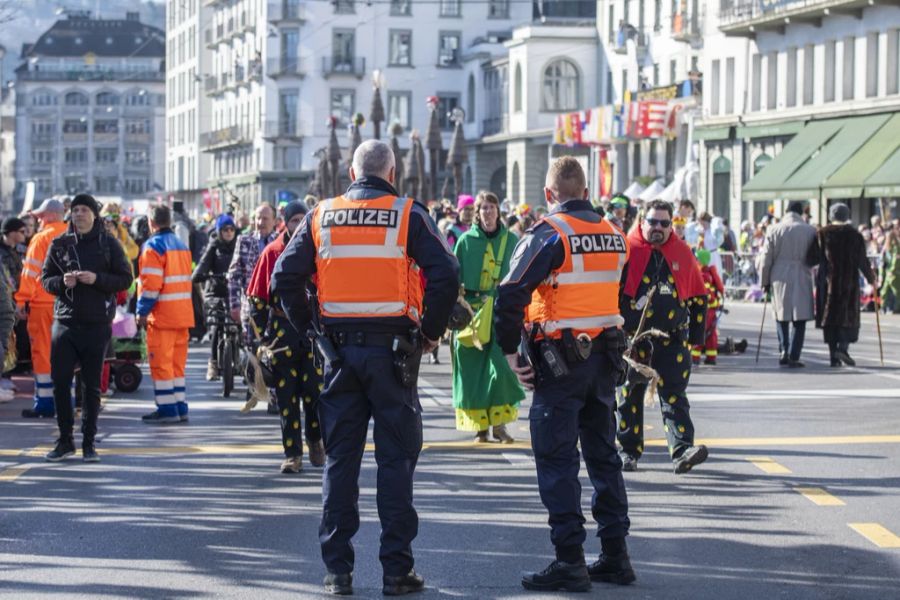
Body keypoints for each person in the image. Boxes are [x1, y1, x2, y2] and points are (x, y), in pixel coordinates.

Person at [271, 139, 458, 596]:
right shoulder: (407, 213)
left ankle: (338, 572)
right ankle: (397, 571)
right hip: (394, 355)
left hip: (338, 356)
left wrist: (312, 331)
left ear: (351, 173)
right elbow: (447, 273)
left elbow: (283, 278)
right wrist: (431, 332)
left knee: (340, 462)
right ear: (392, 172)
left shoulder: (322, 214)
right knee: (396, 462)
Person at [494, 156, 634, 593]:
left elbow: (511, 291)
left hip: (560, 362)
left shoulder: (550, 234)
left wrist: (509, 351)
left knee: (557, 460)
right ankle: (615, 555)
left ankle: (570, 560)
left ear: (550, 195)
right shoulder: (614, 235)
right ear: (587, 190)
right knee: (604, 457)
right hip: (604, 359)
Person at [617, 199, 709, 474]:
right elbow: (610, 294)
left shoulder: (682, 252)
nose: (658, 228)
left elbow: (698, 297)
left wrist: (696, 338)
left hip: (672, 340)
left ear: (671, 225)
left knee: (674, 396)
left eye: (664, 223)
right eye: (653, 222)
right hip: (634, 340)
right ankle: (627, 451)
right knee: (629, 395)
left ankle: (682, 451)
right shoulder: (628, 249)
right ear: (642, 221)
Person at [40, 194, 133, 462]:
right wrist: (62, 282)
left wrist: (96, 279)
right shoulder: (58, 244)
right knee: (59, 382)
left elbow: (125, 279)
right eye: (76, 210)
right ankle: (65, 440)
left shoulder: (108, 244)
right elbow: (45, 280)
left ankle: (89, 443)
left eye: (84, 210)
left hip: (96, 324)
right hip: (65, 323)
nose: (79, 214)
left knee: (91, 387)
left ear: (94, 214)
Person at [246, 201, 325, 473]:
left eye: (303, 220)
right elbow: (256, 300)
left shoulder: (319, 250)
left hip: (313, 333)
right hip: (281, 335)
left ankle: (315, 440)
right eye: (294, 221)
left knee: (315, 393)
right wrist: (261, 340)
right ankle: (292, 454)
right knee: (287, 398)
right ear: (286, 222)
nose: (299, 225)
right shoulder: (272, 252)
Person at [451, 190, 523, 443]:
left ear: (498, 212)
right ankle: (481, 427)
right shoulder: (465, 242)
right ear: (477, 214)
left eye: (492, 207)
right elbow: (453, 279)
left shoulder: (511, 240)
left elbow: (521, 278)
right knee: (473, 372)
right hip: (471, 314)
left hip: (501, 313)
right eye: (484, 208)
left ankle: (500, 424)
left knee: (501, 369)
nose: (489, 212)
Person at [136, 204, 196, 424]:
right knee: (177, 367)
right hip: (182, 316)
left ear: (151, 223)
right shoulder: (181, 246)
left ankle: (167, 410)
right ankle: (180, 407)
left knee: (161, 365)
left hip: (162, 317)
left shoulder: (153, 247)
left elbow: (151, 285)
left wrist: (142, 312)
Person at [16, 199, 68, 418]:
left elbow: (30, 274)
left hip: (43, 304)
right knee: (66, 353)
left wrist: (21, 302)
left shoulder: (41, 238)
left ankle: (46, 403)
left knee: (42, 352)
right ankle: (67, 399)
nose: (37, 220)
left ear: (49, 216)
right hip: (68, 304)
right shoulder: (73, 235)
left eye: (39, 216)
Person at [810, 203, 877, 367]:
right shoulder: (855, 235)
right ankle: (843, 347)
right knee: (847, 318)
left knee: (830, 318)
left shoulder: (822, 234)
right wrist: (871, 279)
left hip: (828, 282)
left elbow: (812, 258)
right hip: (849, 282)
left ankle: (834, 356)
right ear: (847, 216)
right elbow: (862, 261)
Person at [758, 201, 817, 368]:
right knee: (800, 317)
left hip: (779, 273)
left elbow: (766, 258)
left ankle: (783, 349)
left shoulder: (774, 229)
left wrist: (765, 281)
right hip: (802, 272)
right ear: (800, 213)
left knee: (780, 314)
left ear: (786, 211)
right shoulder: (810, 230)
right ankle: (794, 353)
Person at [192, 214, 238, 380]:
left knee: (241, 324)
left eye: (232, 229)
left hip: (235, 292)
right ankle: (212, 363)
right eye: (225, 229)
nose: (229, 232)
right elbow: (202, 265)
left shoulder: (240, 245)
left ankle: (247, 363)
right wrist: (199, 275)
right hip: (215, 291)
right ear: (219, 231)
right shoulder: (214, 246)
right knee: (216, 326)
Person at [227, 203, 277, 347]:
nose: (260, 223)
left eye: (265, 219)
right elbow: (234, 275)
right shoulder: (244, 241)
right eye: (257, 218)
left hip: (274, 309)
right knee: (251, 351)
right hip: (250, 307)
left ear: (274, 221)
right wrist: (234, 305)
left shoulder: (280, 242)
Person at [691, 249, 725, 365]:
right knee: (711, 335)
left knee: (699, 333)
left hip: (703, 310)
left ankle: (695, 357)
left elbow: (705, 294)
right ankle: (711, 357)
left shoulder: (702, 274)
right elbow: (718, 289)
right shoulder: (710, 273)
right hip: (711, 311)